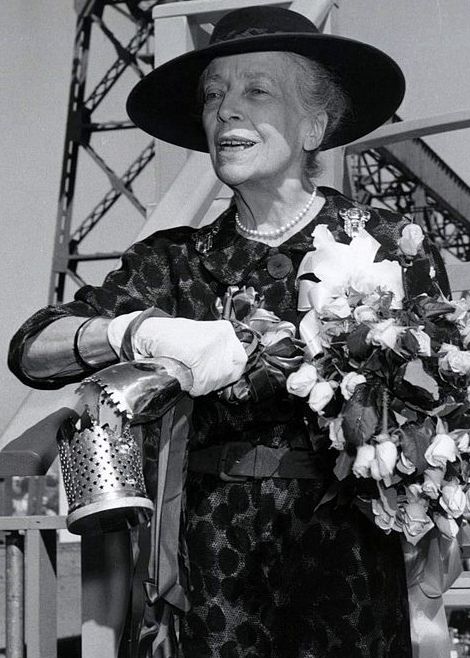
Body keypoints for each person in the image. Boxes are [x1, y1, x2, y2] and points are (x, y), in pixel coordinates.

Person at [9, 6, 448, 657]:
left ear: (314, 124)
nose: (226, 112)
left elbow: (444, 408)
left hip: (349, 569)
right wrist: (138, 331)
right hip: (217, 578)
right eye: (214, 96)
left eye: (256, 91)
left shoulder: (386, 243)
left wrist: (434, 591)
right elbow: (32, 350)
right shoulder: (175, 259)